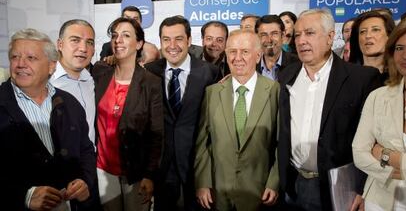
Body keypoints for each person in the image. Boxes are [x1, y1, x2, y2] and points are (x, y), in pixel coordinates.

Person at [277, 8, 381, 211]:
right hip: (292, 185)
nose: (301, 40)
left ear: (330, 37)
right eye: (297, 35)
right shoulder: (286, 75)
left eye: (310, 33)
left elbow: (374, 140)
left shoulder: (361, 79)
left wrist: (363, 188)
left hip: (340, 189)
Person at [0, 28, 96, 210]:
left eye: (31, 58)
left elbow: (86, 150)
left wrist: (85, 180)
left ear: (51, 66)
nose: (20, 64)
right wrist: (24, 196)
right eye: (14, 57)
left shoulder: (70, 103)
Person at [195, 29, 279, 211]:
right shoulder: (212, 92)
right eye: (232, 51)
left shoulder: (275, 91)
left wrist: (274, 182)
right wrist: (203, 182)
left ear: (258, 56)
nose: (237, 57)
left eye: (245, 52)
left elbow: (282, 143)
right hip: (219, 192)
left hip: (259, 192)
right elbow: (203, 142)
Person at [145, 15, 219, 211]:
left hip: (197, 166)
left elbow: (214, 125)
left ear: (189, 40)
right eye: (166, 39)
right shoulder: (149, 72)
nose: (172, 45)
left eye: (178, 38)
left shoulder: (209, 72)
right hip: (162, 167)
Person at [93, 17, 163, 211]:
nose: (118, 40)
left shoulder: (151, 82)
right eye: (115, 36)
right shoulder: (100, 73)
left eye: (126, 35)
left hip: (136, 172)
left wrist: (149, 175)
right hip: (103, 170)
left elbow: (157, 133)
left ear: (139, 43)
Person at [352, 18, 406, 211]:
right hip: (379, 198)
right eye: (399, 48)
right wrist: (390, 172)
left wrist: (384, 154)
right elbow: (359, 151)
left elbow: (374, 152)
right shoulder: (378, 96)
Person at [51, 19, 96, 146]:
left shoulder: (93, 79)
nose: (83, 48)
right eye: (75, 40)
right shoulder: (45, 82)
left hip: (91, 162)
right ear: (60, 44)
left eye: (89, 42)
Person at [349, 11, 395, 84]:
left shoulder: (401, 76)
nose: (368, 36)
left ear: (389, 36)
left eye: (375, 30)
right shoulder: (346, 75)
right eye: (363, 31)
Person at [255, 14, 299, 81]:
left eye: (274, 33)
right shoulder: (250, 65)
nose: (269, 40)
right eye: (264, 34)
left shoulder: (298, 64)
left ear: (283, 35)